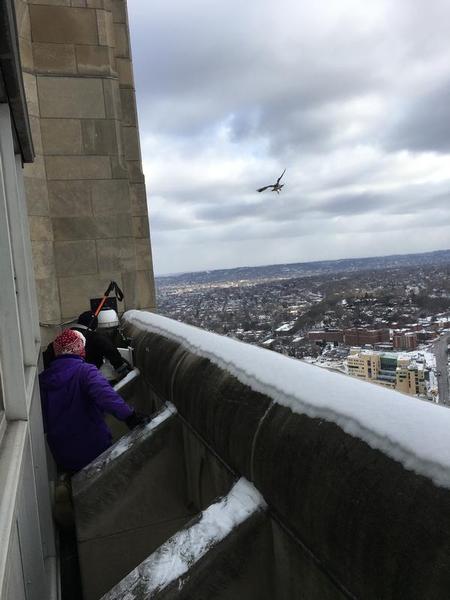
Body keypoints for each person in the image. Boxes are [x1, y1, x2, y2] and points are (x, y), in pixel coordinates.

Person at [39, 329, 147, 473]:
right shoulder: (85, 371)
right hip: (92, 445)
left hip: (61, 451)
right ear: (78, 348)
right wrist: (130, 416)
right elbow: (106, 396)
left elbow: (44, 421)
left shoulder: (43, 380)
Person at [43, 311, 131, 379]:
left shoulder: (65, 336)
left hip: (61, 376)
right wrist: (121, 367)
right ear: (95, 326)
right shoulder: (96, 337)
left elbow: (48, 354)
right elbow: (110, 350)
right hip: (88, 375)